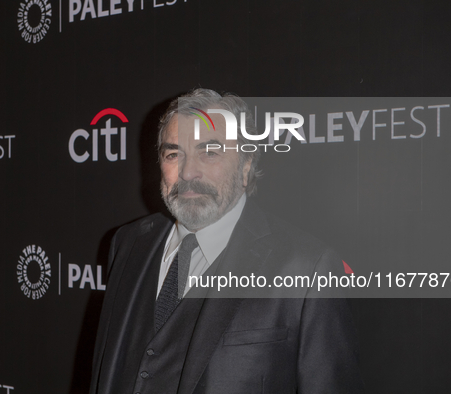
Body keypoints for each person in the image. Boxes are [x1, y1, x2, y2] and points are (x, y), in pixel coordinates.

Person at [89, 88, 364, 393]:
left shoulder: (306, 267)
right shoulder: (129, 244)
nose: (188, 172)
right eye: (173, 153)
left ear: (246, 167)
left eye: (210, 152)